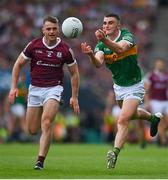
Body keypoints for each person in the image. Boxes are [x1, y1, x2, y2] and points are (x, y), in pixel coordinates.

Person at [81, 13, 162, 169]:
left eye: (110, 23)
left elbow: (120, 49)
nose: (106, 26)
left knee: (123, 119)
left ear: (118, 25)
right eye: (104, 23)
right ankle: (152, 119)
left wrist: (103, 39)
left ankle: (114, 152)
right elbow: (98, 63)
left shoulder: (126, 36)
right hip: (118, 86)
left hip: (135, 85)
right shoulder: (100, 45)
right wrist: (91, 54)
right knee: (131, 114)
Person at [8, 15, 80, 170]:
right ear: (43, 30)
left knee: (46, 122)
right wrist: (14, 87)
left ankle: (40, 161)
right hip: (34, 90)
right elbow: (18, 65)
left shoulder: (65, 50)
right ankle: (46, 107)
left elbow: (74, 73)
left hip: (54, 88)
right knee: (32, 130)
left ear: (59, 29)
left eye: (54, 28)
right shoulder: (33, 45)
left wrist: (74, 97)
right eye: (48, 29)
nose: (52, 31)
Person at [144, 58, 168, 146]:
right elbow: (146, 89)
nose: (160, 66)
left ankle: (160, 138)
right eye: (158, 64)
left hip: (165, 101)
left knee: (166, 122)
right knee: (161, 121)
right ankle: (164, 141)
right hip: (155, 102)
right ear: (155, 65)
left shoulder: (166, 75)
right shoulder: (151, 76)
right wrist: (147, 102)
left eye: (161, 64)